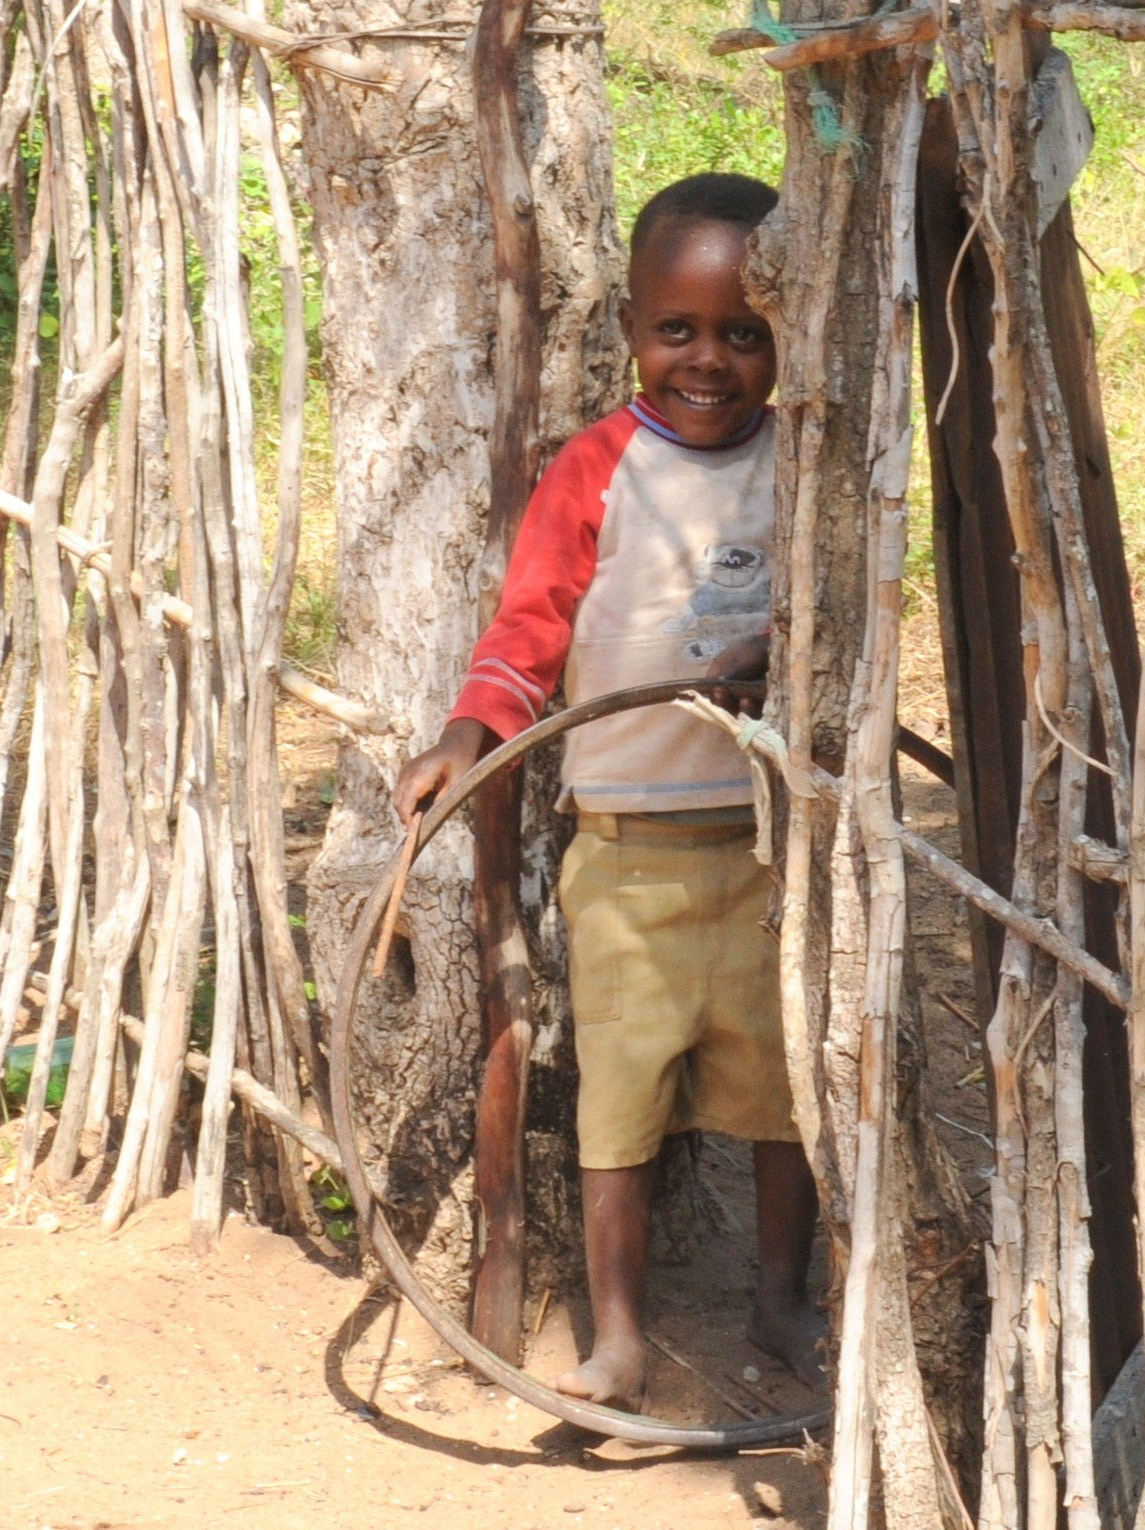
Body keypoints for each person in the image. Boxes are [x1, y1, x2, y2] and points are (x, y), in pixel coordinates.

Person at [391, 172, 824, 1408]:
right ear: (631, 326)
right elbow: (528, 629)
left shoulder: (805, 464)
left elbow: (838, 624)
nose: (708, 359)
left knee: (783, 1090)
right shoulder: (595, 467)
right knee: (619, 1103)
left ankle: (782, 1302)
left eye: (744, 333)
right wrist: (470, 733)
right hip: (624, 853)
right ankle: (620, 1336)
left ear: (783, 333)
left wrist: (782, 663)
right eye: (676, 330)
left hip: (763, 847)